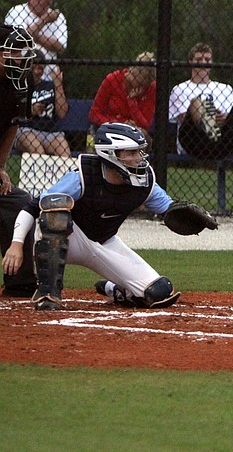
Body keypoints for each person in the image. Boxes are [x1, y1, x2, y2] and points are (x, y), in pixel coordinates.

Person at [1, 122, 213, 310]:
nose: (138, 158)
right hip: (70, 238)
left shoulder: (144, 181)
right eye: (130, 153)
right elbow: (32, 206)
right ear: (111, 154)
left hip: (105, 242)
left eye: (139, 152)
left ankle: (114, 289)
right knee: (55, 212)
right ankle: (48, 292)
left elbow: (169, 208)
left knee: (158, 292)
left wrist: (183, 214)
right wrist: (16, 245)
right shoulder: (83, 176)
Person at [168, 42, 233, 159]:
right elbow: (183, 119)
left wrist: (222, 118)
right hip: (194, 141)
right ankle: (208, 127)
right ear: (191, 61)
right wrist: (208, 118)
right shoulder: (180, 89)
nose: (203, 63)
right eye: (199, 59)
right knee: (196, 102)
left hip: (222, 139)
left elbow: (229, 117)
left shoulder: (225, 88)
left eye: (207, 59)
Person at [0, 24, 38, 297]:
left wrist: (1, 168)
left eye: (22, 51)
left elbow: (12, 125)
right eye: (11, 51)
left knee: (22, 204)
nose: (19, 57)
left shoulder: (22, 82)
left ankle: (20, 282)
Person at [5, 0, 68, 82]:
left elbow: (60, 47)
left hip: (48, 76)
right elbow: (20, 40)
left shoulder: (58, 17)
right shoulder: (16, 11)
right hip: (21, 74)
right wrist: (44, 20)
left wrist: (33, 35)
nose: (48, 2)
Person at [14, 52, 71, 157]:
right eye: (33, 68)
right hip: (26, 130)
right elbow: (11, 112)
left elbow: (62, 113)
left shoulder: (49, 86)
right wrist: (30, 110)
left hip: (51, 133)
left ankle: (66, 173)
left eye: (40, 68)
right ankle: (41, 173)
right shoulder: (18, 86)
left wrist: (58, 85)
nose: (36, 71)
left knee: (63, 150)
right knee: (37, 150)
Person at [89, 52, 157, 140]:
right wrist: (118, 125)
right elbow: (94, 113)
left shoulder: (151, 88)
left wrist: (132, 101)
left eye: (142, 85)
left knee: (145, 136)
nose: (139, 88)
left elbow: (145, 125)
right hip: (111, 128)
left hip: (133, 132)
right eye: (136, 80)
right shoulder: (113, 79)